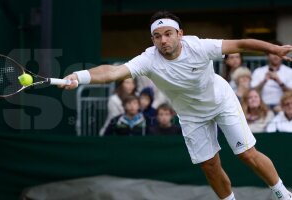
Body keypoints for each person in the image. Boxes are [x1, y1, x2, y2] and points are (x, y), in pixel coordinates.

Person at [60, 11, 292, 200]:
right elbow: (112, 72)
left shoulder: (199, 46)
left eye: (168, 34)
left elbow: (241, 43)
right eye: (158, 36)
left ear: (180, 34)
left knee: (246, 154)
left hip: (222, 102)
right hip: (191, 115)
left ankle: (282, 194)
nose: (163, 40)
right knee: (210, 165)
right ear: (152, 39)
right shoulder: (148, 59)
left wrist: (275, 49)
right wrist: (79, 77)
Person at [251, 41, 292, 113]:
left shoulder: (289, 72)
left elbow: (290, 92)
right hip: (262, 108)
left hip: (283, 108)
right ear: (267, 54)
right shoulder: (258, 71)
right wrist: (264, 81)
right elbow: (253, 92)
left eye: (278, 53)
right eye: (273, 53)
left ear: (283, 55)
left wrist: (279, 81)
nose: (275, 56)